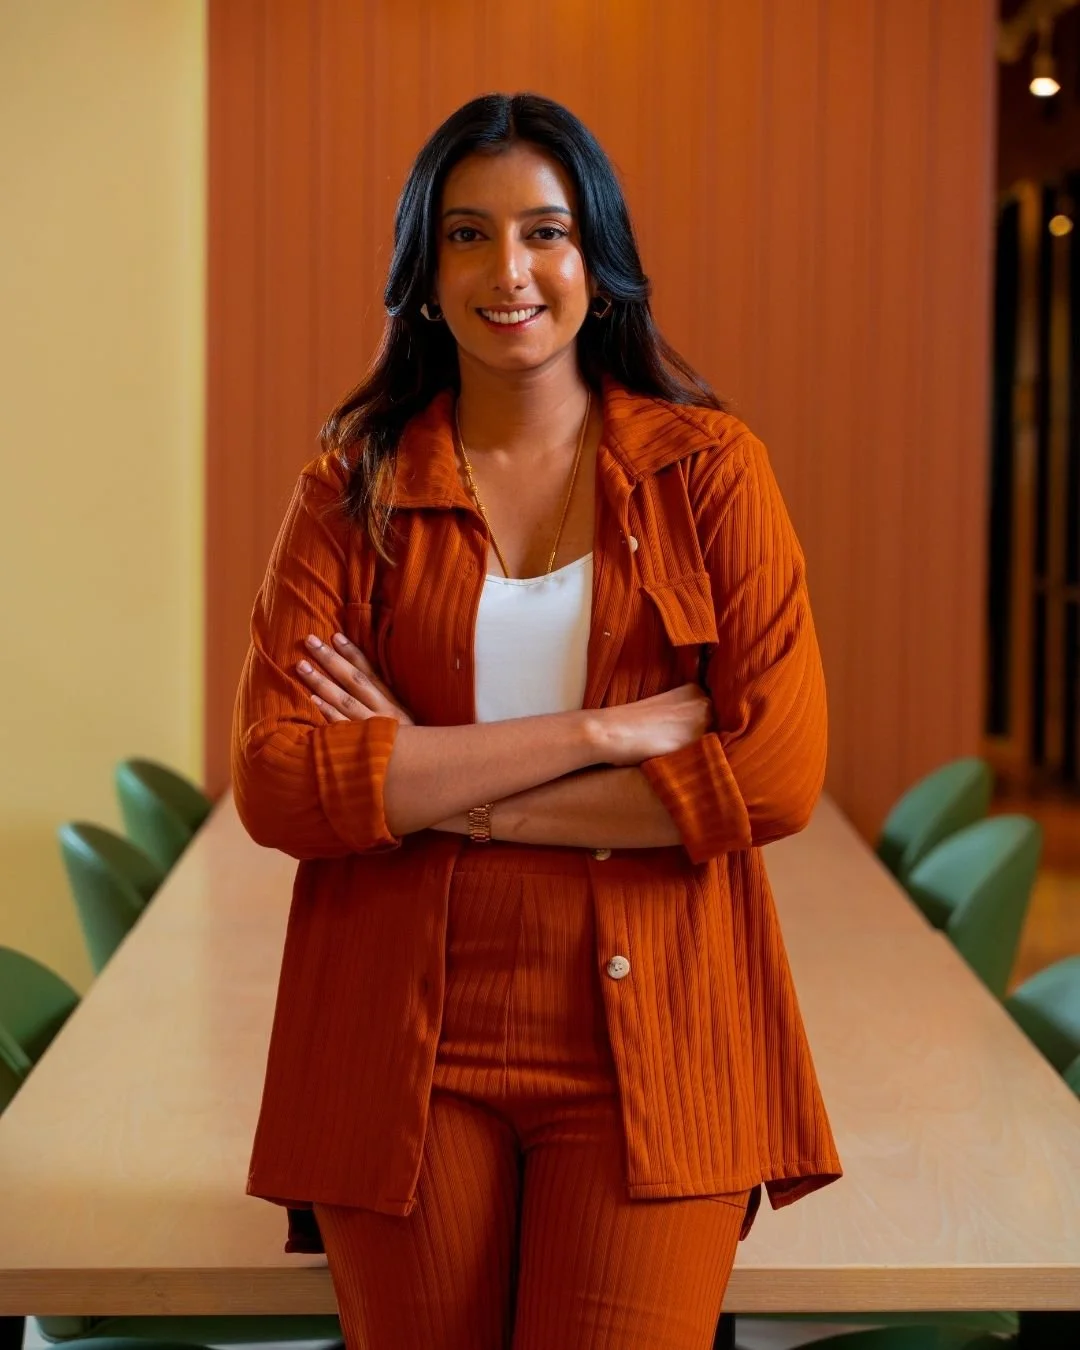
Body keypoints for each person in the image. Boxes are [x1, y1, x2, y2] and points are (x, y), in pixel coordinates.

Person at [232, 91, 842, 1350]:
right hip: (397, 1046)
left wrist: (434, 782)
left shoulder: (711, 473)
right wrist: (596, 733)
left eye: (544, 231)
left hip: (660, 1042)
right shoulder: (351, 490)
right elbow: (280, 784)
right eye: (466, 234)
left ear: (596, 261)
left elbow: (774, 774)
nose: (508, 270)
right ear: (423, 269)